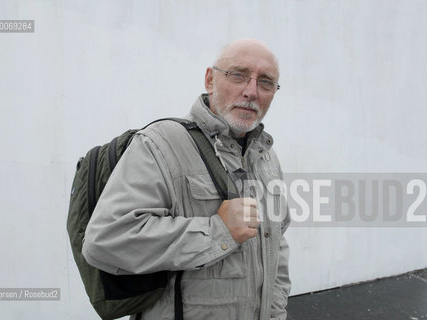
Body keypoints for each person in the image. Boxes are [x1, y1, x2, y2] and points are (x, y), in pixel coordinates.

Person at [82, 39, 291, 320]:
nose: (251, 91)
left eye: (266, 82)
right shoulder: (160, 144)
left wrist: (276, 314)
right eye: (238, 75)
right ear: (210, 80)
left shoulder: (267, 157)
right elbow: (105, 240)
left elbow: (277, 247)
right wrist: (219, 231)